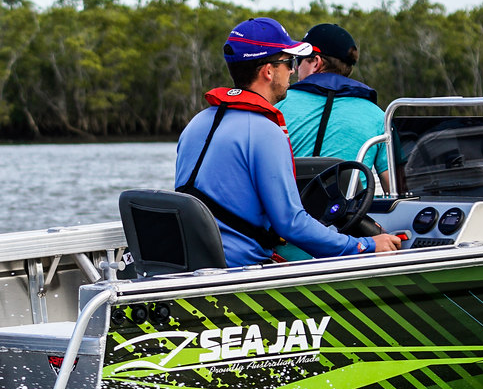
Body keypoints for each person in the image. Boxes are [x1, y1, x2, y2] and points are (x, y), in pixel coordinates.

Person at [173, 18, 408, 267]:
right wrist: (366, 246)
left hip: (194, 261)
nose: (293, 71)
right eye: (288, 62)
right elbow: (291, 223)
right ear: (268, 71)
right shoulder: (266, 131)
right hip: (239, 271)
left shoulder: (197, 123)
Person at [281, 22, 391, 190]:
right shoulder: (379, 116)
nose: (295, 69)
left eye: (298, 61)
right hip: (352, 215)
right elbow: (394, 188)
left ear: (315, 63)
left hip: (288, 214)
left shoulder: (276, 107)